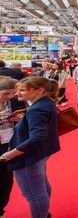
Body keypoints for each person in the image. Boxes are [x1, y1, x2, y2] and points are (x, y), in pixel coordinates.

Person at [0, 77, 60, 218]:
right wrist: (24, 119)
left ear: (39, 90)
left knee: (34, 194)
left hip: (28, 155)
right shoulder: (45, 103)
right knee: (40, 187)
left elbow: (37, 137)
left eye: (22, 90)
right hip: (39, 152)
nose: (17, 94)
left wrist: (10, 154)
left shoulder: (37, 108)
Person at [0, 76, 26, 218]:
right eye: (5, 93)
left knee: (6, 178)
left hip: (8, 144)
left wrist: (19, 119)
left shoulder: (14, 102)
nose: (9, 96)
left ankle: (1, 209)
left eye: (12, 93)